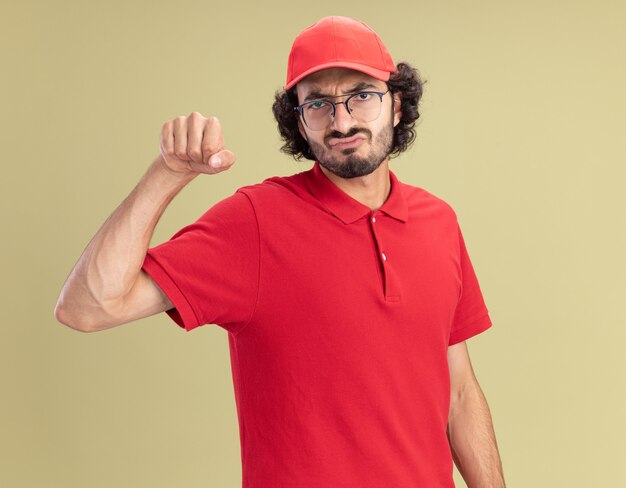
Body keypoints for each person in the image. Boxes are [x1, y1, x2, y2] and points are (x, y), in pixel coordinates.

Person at [55, 15, 506, 488]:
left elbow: (459, 392)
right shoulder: (255, 220)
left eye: (362, 96)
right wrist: (167, 174)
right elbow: (87, 306)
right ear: (298, 121)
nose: (342, 120)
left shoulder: (439, 222)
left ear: (396, 104)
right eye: (318, 104)